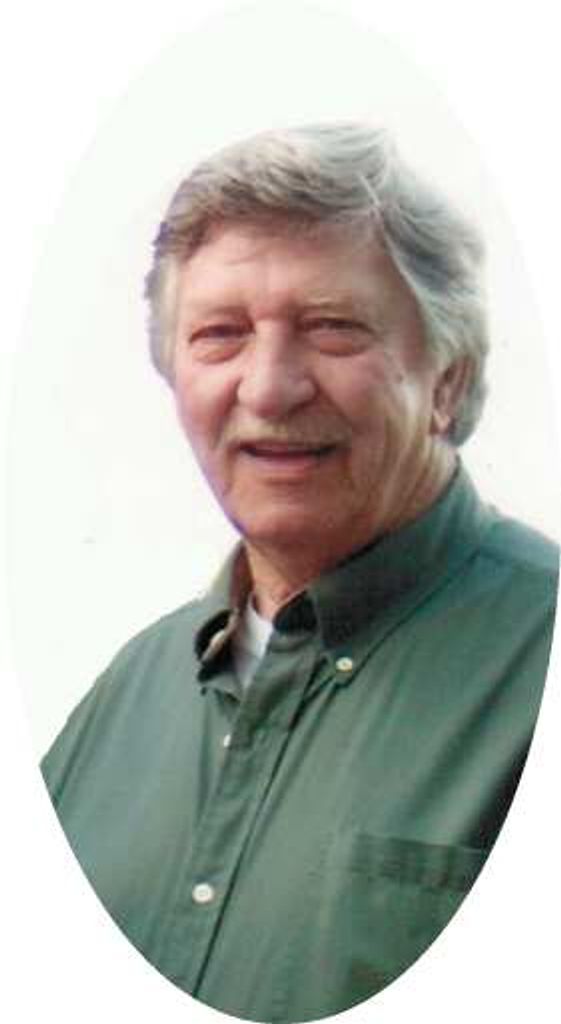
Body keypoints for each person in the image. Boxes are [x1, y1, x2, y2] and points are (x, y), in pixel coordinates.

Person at [41, 123, 558, 1022]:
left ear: (446, 381)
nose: (269, 387)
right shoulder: (125, 696)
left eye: (331, 328)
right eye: (220, 335)